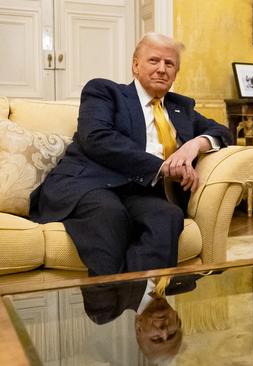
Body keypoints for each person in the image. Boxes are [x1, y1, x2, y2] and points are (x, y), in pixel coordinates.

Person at [29, 33, 233, 276]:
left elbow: (222, 132)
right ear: (135, 65)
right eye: (153, 61)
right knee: (109, 214)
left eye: (169, 64)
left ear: (176, 73)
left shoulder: (180, 108)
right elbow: (97, 138)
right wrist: (163, 167)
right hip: (89, 184)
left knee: (167, 216)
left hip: (140, 192)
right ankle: (112, 308)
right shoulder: (105, 92)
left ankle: (146, 304)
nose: (161, 69)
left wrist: (194, 145)